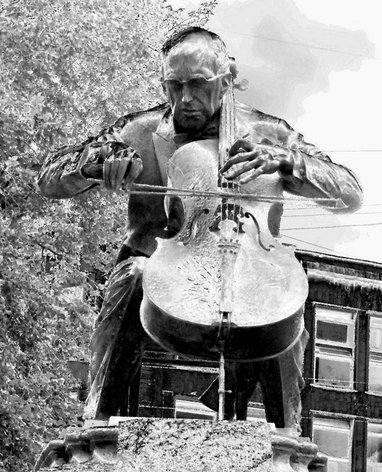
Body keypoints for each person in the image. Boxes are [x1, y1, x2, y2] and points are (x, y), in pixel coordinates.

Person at [37, 27, 363, 430]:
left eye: (198, 84)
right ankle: (96, 425)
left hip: (245, 273)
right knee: (134, 273)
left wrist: (285, 160)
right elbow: (49, 179)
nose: (185, 99)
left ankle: (287, 438)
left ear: (226, 80)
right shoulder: (138, 130)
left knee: (282, 294)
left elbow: (350, 192)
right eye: (174, 86)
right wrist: (95, 162)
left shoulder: (269, 133)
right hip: (156, 282)